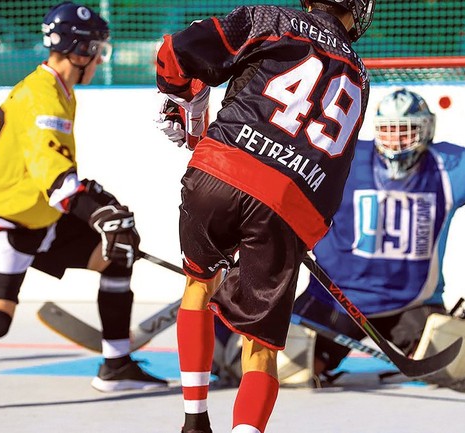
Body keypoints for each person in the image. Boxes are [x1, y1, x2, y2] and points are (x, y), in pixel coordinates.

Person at [0, 1, 167, 403]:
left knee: (117, 253)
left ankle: (116, 365)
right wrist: (98, 213)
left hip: (35, 216)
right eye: (97, 49)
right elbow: (58, 186)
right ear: (80, 51)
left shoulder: (57, 90)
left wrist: (98, 208)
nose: (99, 58)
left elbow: (48, 171)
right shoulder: (43, 99)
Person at [154, 0, 375, 431]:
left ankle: (194, 422)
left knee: (198, 285)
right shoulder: (360, 76)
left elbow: (174, 52)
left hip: (218, 173)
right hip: (288, 205)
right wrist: (299, 235)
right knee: (260, 346)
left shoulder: (270, 18)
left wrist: (183, 97)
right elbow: (334, 171)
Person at [292, 87, 465, 392]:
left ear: (427, 129)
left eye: (406, 131)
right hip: (335, 300)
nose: (396, 140)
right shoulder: (344, 159)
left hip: (412, 305)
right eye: (388, 130)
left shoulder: (450, 164)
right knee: (278, 364)